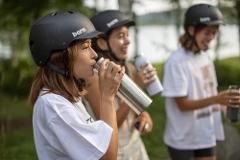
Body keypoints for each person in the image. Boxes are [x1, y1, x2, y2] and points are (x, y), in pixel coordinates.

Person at [28, 11, 125, 160]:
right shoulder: (54, 106)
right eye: (85, 47)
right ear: (61, 58)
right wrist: (107, 96)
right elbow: (108, 157)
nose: (94, 55)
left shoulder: (67, 97)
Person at [162, 3, 240, 160]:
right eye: (207, 32)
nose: (211, 38)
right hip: (183, 140)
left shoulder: (205, 57)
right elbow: (182, 105)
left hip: (206, 133)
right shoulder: (176, 62)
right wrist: (217, 99)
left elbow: (208, 93)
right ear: (191, 30)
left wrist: (225, 106)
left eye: (214, 33)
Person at [82, 10, 155, 160]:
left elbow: (136, 111)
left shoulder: (127, 67)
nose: (127, 40)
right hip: (117, 153)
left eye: (127, 35)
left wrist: (144, 116)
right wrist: (136, 90)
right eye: (120, 36)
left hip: (136, 149)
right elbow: (107, 128)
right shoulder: (94, 78)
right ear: (102, 42)